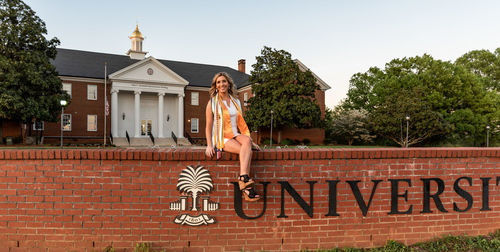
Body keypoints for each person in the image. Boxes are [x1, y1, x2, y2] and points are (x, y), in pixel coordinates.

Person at [205, 72, 261, 201]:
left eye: (224, 81)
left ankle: (243, 178)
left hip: (235, 134)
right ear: (216, 85)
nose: (221, 84)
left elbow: (241, 123)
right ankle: (247, 187)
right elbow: (208, 126)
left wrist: (251, 142)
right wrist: (209, 145)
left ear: (229, 83)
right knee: (246, 151)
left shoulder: (236, 102)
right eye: (218, 82)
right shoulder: (212, 103)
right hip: (222, 137)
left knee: (247, 141)